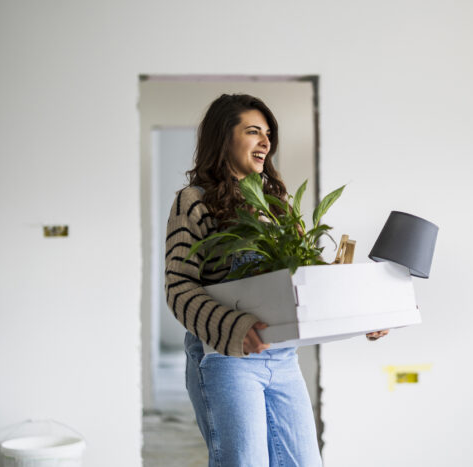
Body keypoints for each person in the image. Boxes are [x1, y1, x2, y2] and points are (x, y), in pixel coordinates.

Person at [164, 93, 388, 467]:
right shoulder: (194, 200)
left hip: (283, 359)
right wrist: (233, 326)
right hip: (227, 358)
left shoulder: (278, 205)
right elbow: (178, 287)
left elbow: (306, 280)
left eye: (268, 133)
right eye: (254, 131)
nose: (266, 142)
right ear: (223, 137)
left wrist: (367, 313)